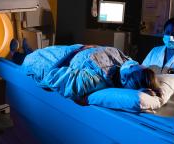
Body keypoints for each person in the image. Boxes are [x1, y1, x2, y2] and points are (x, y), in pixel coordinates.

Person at [9, 39, 163, 102]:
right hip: (70, 50)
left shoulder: (93, 79)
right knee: (41, 50)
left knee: (32, 59)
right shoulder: (125, 65)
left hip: (51, 62)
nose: (132, 62)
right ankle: (29, 50)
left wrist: (76, 52)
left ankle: (15, 55)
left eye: (134, 66)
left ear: (125, 79)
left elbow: (51, 76)